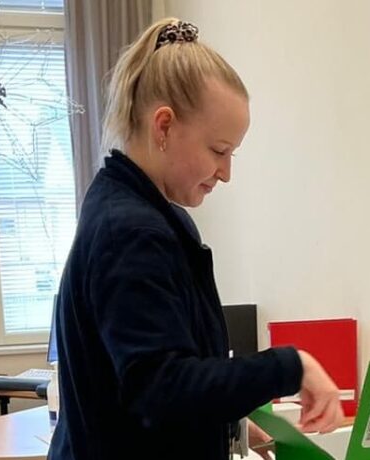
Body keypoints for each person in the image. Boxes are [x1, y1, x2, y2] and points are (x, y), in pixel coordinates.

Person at [48, 17, 344, 460]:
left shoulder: (149, 215)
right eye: (218, 151)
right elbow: (161, 388)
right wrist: (291, 366)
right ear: (164, 127)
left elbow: (166, 373)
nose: (226, 172)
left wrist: (227, 422)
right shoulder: (130, 232)